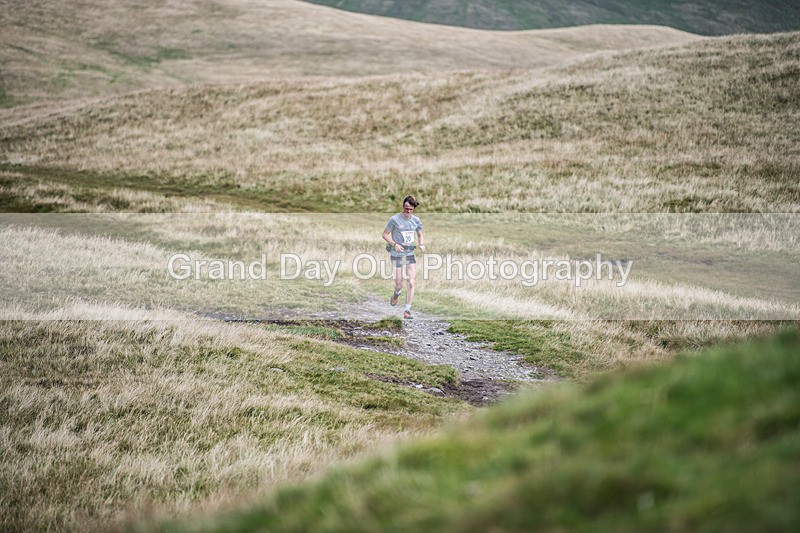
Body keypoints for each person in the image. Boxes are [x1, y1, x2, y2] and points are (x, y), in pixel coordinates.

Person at [382, 195, 425, 319]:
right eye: (406, 209)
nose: (408, 212)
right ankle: (397, 293)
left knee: (411, 282)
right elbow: (384, 234)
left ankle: (407, 310)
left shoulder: (416, 220)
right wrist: (394, 244)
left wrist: (421, 244)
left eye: (411, 209)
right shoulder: (394, 219)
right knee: (399, 284)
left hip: (409, 253)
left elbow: (420, 235)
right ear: (403, 207)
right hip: (397, 254)